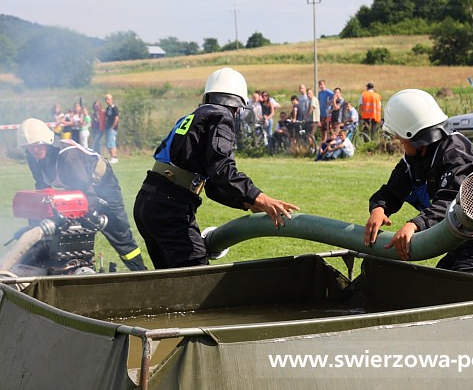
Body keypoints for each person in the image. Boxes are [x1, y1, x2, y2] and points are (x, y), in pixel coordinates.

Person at [133, 67, 299, 270]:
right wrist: (261, 198)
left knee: (171, 281)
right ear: (236, 104)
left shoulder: (197, 116)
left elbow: (212, 185)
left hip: (149, 200)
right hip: (170, 206)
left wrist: (247, 203)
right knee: (197, 279)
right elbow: (222, 169)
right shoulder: (221, 116)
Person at [364, 89, 473, 276]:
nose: (400, 143)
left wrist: (414, 224)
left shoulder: (457, 154)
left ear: (414, 135)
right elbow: (392, 191)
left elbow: (453, 202)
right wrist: (379, 209)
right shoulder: (417, 157)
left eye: (401, 139)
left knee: (454, 294)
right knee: (438, 286)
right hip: (463, 239)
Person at [16, 118, 146, 271]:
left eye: (37, 145)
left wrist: (91, 216)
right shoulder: (34, 158)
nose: (35, 150)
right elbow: (43, 189)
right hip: (77, 189)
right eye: (30, 147)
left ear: (47, 140)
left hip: (103, 187)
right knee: (62, 233)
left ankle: (140, 272)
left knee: (119, 234)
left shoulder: (67, 155)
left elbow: (87, 191)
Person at [104, 93, 119, 163]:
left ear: (111, 100)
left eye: (108, 99)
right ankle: (111, 157)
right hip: (107, 128)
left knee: (112, 142)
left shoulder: (114, 108)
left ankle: (114, 157)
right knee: (108, 143)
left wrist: (112, 127)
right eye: (106, 99)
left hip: (112, 128)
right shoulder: (107, 109)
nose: (107, 101)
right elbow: (106, 118)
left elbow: (116, 118)